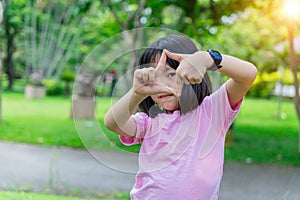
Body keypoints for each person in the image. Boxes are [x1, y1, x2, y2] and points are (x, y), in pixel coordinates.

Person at [104, 34, 257, 200]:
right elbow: (112, 123)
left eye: (170, 74)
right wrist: (136, 93)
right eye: (156, 77)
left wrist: (206, 59)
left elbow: (248, 75)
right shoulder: (150, 122)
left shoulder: (212, 112)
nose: (162, 85)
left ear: (193, 75)